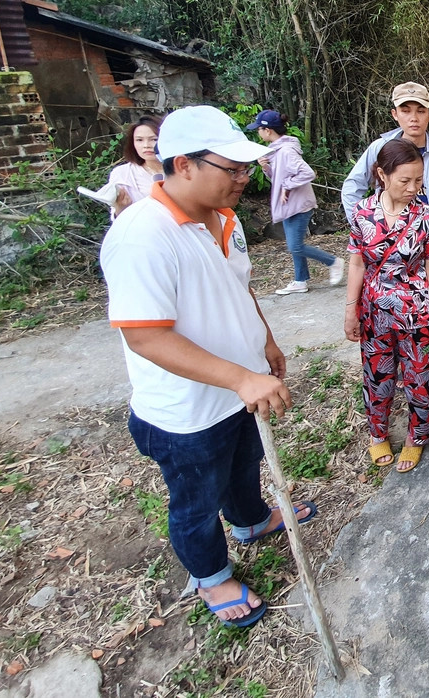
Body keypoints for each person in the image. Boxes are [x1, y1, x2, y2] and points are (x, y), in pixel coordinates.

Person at [100, 105, 317, 629]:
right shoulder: (141, 235)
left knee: (243, 464)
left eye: (247, 168)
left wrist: (264, 341)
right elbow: (145, 336)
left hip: (240, 391)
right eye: (233, 168)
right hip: (188, 411)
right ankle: (212, 576)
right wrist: (241, 377)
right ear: (184, 165)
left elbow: (238, 287)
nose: (245, 178)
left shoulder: (226, 218)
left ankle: (250, 519)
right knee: (195, 501)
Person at [341, 82, 429, 396]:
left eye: (420, 110)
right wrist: (369, 227)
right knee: (388, 310)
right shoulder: (379, 150)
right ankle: (398, 366)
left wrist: (426, 230)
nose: (414, 117)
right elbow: (351, 188)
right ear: (394, 114)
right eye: (406, 110)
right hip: (389, 260)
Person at [344, 139, 429, 473]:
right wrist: (350, 310)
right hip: (373, 313)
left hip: (418, 314)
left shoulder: (428, 217)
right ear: (382, 174)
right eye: (405, 180)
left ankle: (417, 437)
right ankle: (377, 432)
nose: (413, 188)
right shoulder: (362, 213)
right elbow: (357, 264)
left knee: (419, 377)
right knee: (377, 375)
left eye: (418, 180)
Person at [246, 109, 344, 295]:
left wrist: (287, 186)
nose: (258, 132)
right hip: (289, 205)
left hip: (299, 205)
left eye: (258, 129)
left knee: (295, 246)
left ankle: (333, 262)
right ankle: (300, 281)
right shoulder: (276, 151)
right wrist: (266, 168)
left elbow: (307, 173)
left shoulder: (286, 151)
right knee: (295, 245)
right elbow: (278, 178)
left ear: (267, 130)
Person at [107, 116, 164, 219]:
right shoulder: (122, 173)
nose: (146, 145)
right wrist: (120, 209)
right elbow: (116, 218)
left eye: (154, 139)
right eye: (139, 140)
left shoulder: (182, 170)